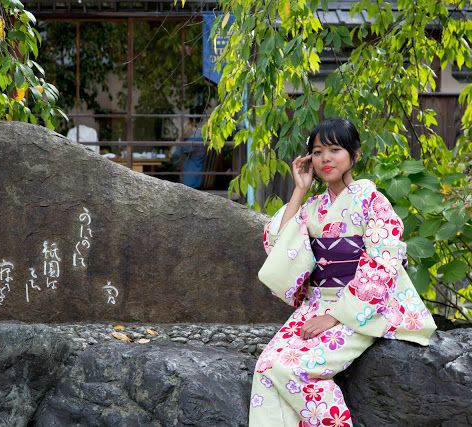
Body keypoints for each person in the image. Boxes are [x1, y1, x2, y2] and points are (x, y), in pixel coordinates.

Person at [252, 118, 436, 426]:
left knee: (295, 369)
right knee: (267, 368)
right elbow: (278, 245)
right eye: (318, 151)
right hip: (317, 303)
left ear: (355, 155)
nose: (325, 158)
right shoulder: (313, 207)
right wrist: (299, 190)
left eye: (335, 149)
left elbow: (382, 261)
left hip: (363, 306)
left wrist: (335, 316)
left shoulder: (372, 202)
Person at [170, 116, 207, 188]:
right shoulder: (200, 136)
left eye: (185, 125)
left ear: (191, 124)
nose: (182, 128)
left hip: (191, 181)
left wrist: (180, 136)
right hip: (196, 176)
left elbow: (173, 154)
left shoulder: (194, 140)